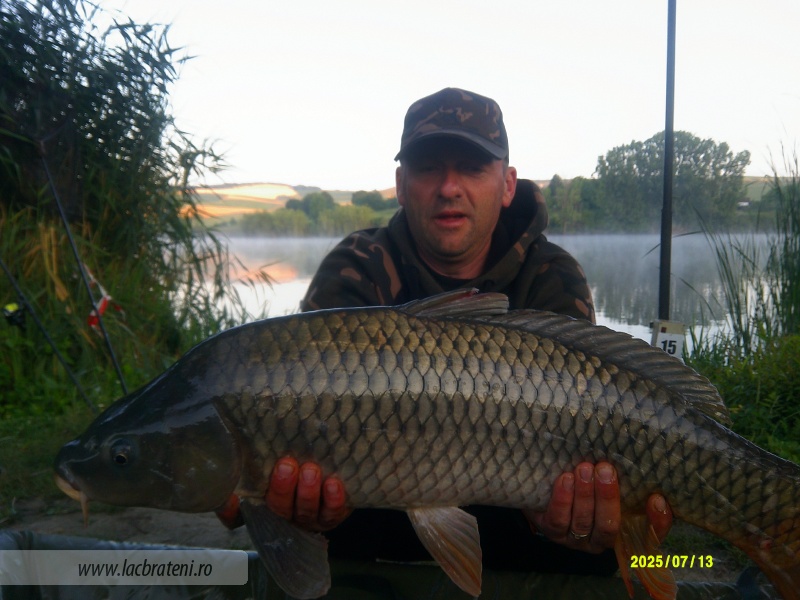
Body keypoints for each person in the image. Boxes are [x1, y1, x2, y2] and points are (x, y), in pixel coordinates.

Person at [221, 87, 672, 575]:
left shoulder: (550, 277)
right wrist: (293, 509)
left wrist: (569, 522)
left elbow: (589, 437)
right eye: (428, 168)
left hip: (516, 549)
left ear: (507, 185)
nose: (449, 187)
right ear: (401, 184)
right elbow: (250, 497)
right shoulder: (356, 269)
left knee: (597, 545)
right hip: (378, 547)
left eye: (472, 168)